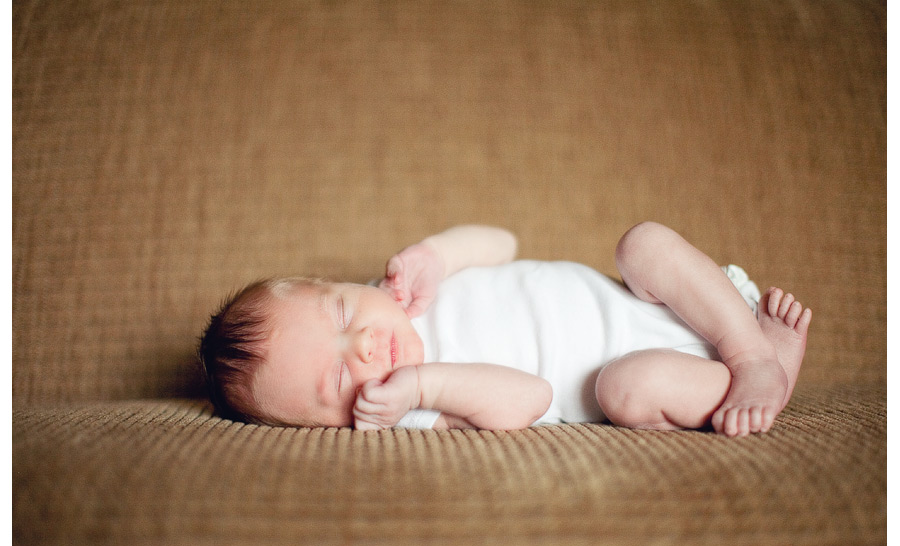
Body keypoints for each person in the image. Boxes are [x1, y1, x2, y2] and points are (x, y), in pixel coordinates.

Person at [199, 223, 810, 437]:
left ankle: (748, 349)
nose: (359, 343)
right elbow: (533, 398)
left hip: (678, 302)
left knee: (642, 244)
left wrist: (436, 254)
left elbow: (504, 243)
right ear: (339, 420)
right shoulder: (409, 406)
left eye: (338, 313)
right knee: (624, 388)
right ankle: (752, 373)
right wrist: (420, 387)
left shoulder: (402, 291)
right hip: (665, 374)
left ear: (342, 286)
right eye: (338, 375)